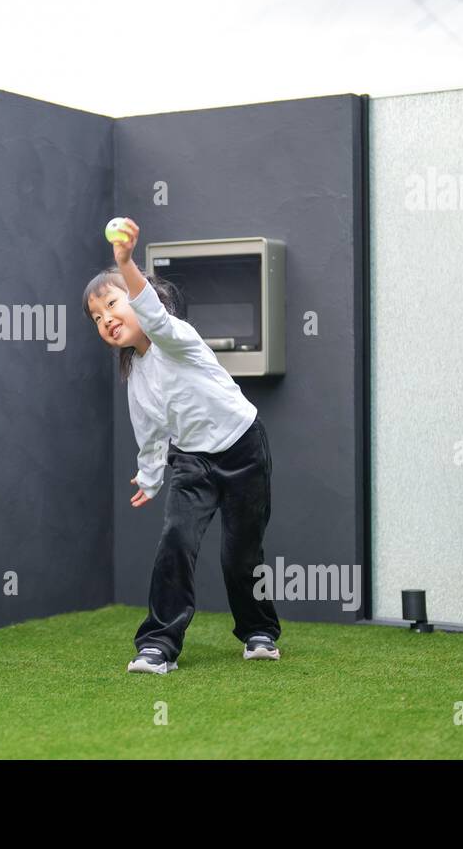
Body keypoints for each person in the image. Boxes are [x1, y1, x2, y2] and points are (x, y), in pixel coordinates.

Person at [82, 217, 281, 673]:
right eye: (97, 317)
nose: (107, 319)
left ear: (141, 298)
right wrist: (150, 478)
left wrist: (126, 261)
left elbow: (150, 311)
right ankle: (157, 645)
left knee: (241, 552)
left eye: (112, 304)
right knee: (176, 539)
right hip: (192, 462)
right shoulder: (135, 379)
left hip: (243, 448)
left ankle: (258, 632)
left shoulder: (177, 339)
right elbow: (150, 435)